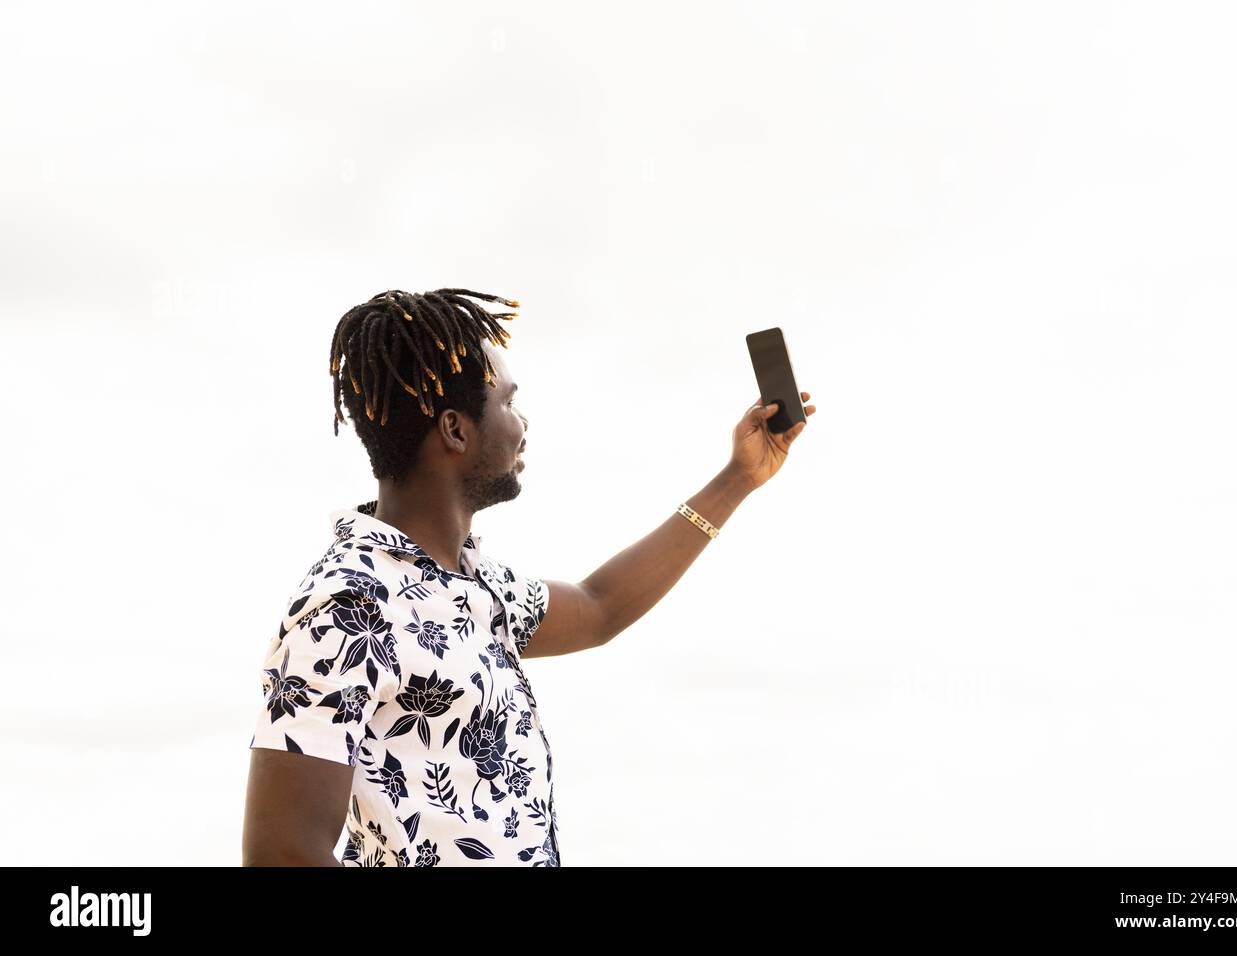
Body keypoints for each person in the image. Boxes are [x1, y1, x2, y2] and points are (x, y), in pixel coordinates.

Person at [241, 287, 817, 866]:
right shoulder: (347, 604)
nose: (522, 423)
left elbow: (599, 607)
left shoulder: (472, 584)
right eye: (508, 402)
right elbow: (280, 852)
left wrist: (737, 478)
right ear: (456, 430)